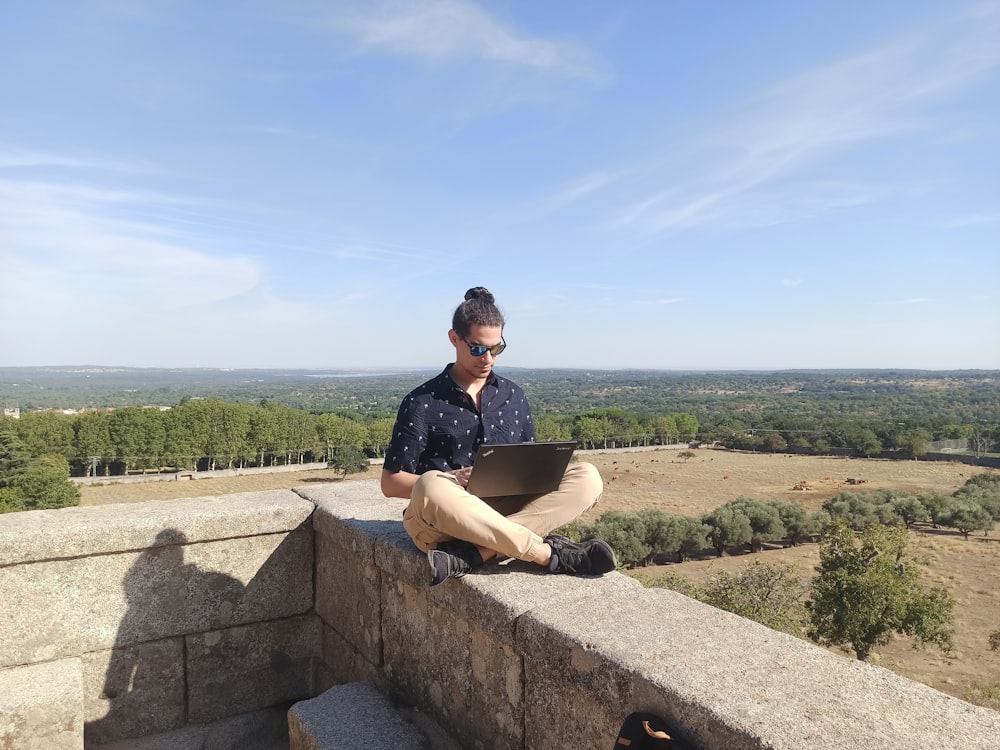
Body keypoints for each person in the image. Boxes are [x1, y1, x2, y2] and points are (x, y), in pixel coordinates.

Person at [381, 286, 617, 586]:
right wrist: (454, 478)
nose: (488, 358)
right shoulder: (422, 401)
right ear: (455, 339)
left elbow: (531, 467)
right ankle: (548, 555)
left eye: (497, 348)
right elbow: (390, 483)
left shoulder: (513, 396)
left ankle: (475, 553)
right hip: (442, 521)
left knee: (588, 477)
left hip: (502, 513)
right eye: (478, 348)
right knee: (431, 483)